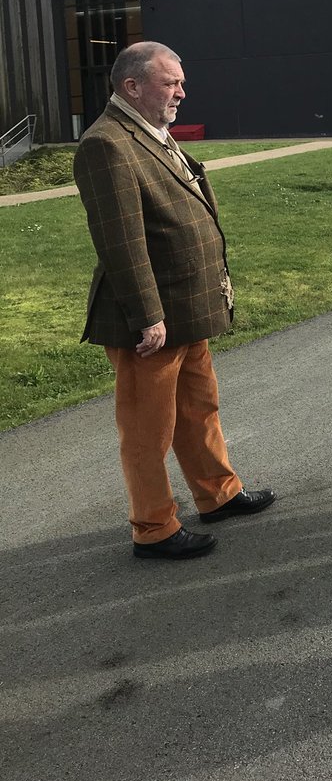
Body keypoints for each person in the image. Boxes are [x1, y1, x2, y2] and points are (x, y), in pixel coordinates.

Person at [73, 41, 275, 561]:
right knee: (148, 430)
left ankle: (218, 495)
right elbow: (120, 240)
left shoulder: (149, 132)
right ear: (132, 86)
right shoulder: (107, 144)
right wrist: (148, 316)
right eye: (170, 82)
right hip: (152, 319)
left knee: (199, 409)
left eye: (181, 82)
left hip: (187, 308)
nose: (181, 92)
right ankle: (154, 528)